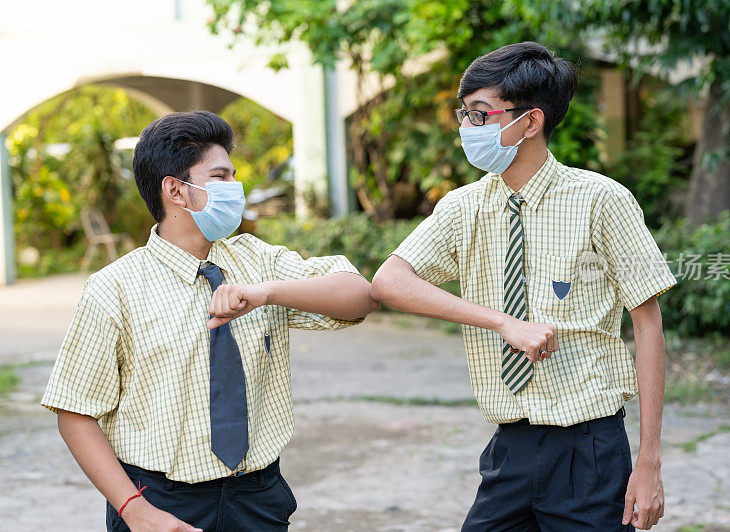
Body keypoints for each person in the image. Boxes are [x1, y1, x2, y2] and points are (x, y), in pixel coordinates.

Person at [370, 42, 677, 531]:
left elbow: (648, 323)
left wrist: (650, 462)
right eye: (464, 115)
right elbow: (389, 281)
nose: (466, 129)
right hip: (509, 446)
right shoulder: (462, 208)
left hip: (590, 449)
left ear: (530, 122)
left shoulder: (601, 200)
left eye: (480, 115)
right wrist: (502, 322)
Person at [41, 110, 377, 531]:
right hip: (160, 501)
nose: (235, 189)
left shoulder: (257, 260)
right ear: (176, 191)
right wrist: (135, 510)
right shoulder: (114, 288)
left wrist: (267, 292)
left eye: (234, 176)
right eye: (220, 177)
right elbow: (74, 411)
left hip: (257, 497)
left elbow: (360, 295)